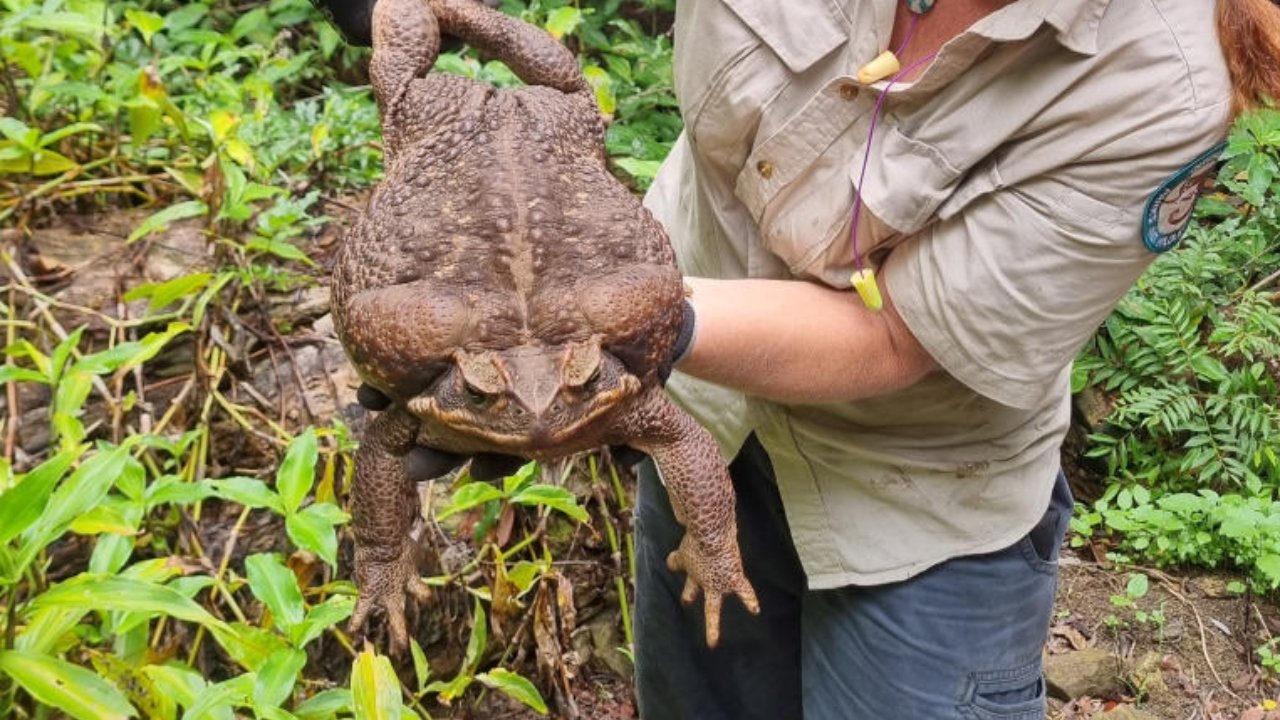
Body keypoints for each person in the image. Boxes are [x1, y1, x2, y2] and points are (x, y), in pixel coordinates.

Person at [313, 0, 1280, 717]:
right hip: (703, 417)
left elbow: (899, 337)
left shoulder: (1158, 81)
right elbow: (392, 439)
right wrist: (407, 19)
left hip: (916, 497)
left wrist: (617, 344)